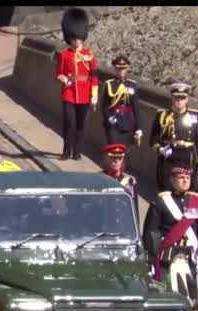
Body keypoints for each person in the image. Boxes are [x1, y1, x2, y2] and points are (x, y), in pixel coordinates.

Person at [142, 160, 198, 307]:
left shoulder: (196, 201)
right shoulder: (161, 201)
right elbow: (150, 231)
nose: (185, 180)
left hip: (189, 256)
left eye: (187, 178)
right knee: (169, 295)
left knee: (188, 297)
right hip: (168, 256)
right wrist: (150, 258)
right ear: (172, 180)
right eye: (181, 177)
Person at [55, 8, 98, 160]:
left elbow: (93, 76)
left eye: (79, 38)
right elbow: (58, 73)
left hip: (85, 93)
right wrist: (65, 80)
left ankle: (77, 151)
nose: (77, 40)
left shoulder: (89, 55)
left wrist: (94, 95)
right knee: (69, 122)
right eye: (74, 38)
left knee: (81, 125)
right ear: (70, 37)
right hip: (69, 93)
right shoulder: (64, 54)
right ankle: (66, 151)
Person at [149, 82, 198, 192]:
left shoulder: (195, 116)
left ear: (186, 100)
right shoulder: (162, 115)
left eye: (182, 98)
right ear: (172, 98)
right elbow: (153, 139)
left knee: (188, 189)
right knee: (166, 189)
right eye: (176, 97)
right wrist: (160, 149)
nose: (179, 101)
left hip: (188, 156)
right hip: (169, 157)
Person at [101, 55, 142, 149]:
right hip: (114, 122)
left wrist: (139, 127)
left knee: (124, 152)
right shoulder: (110, 84)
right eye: (119, 69)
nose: (121, 71)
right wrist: (109, 118)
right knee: (114, 150)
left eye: (123, 69)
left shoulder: (132, 84)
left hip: (128, 123)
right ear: (115, 69)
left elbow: (136, 107)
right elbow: (104, 105)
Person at [100, 144, 138, 214]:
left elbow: (134, 209)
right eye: (113, 158)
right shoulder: (98, 178)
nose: (117, 161)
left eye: (120, 158)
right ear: (106, 158)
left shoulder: (130, 181)